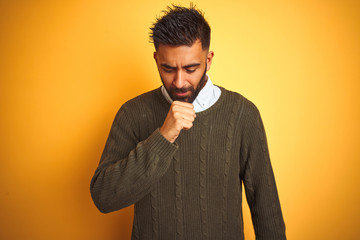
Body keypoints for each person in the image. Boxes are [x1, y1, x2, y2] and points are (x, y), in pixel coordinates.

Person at [90, 4, 286, 240]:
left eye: (191, 68)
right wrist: (163, 137)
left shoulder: (243, 114)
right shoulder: (132, 113)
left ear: (209, 59)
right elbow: (104, 197)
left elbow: (267, 210)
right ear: (156, 59)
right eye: (168, 69)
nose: (180, 82)